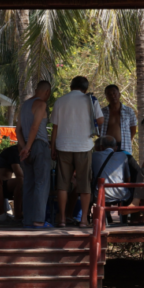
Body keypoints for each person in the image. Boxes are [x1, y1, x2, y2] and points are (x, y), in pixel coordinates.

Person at [51, 76, 103, 228]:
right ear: (85, 89)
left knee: (62, 185)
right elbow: (100, 120)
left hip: (63, 146)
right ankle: (84, 221)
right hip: (84, 146)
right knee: (84, 184)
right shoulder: (91, 100)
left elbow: (55, 127)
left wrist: (53, 148)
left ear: (71, 87)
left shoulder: (60, 101)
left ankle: (61, 219)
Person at [17, 80, 52, 227]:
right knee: (41, 184)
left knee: (29, 184)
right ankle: (38, 221)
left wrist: (24, 147)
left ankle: (28, 221)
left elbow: (17, 129)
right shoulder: (41, 104)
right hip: (38, 145)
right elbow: (35, 127)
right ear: (47, 93)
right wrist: (29, 147)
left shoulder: (24, 105)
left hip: (26, 146)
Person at [91, 135, 132, 206]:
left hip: (99, 195)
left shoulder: (94, 155)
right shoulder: (123, 156)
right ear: (116, 147)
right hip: (121, 195)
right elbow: (128, 179)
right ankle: (127, 215)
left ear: (101, 147)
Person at [0, 144, 24, 224]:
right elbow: (19, 174)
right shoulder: (14, 151)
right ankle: (17, 215)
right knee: (21, 181)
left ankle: (22, 214)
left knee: (22, 182)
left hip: (5, 184)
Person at [100, 84, 137, 152]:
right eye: (109, 94)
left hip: (124, 146)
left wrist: (128, 141)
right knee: (107, 162)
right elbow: (99, 129)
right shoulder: (102, 112)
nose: (112, 95)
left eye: (114, 93)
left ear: (119, 94)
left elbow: (133, 129)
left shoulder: (129, 111)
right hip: (106, 147)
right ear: (107, 98)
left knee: (124, 162)